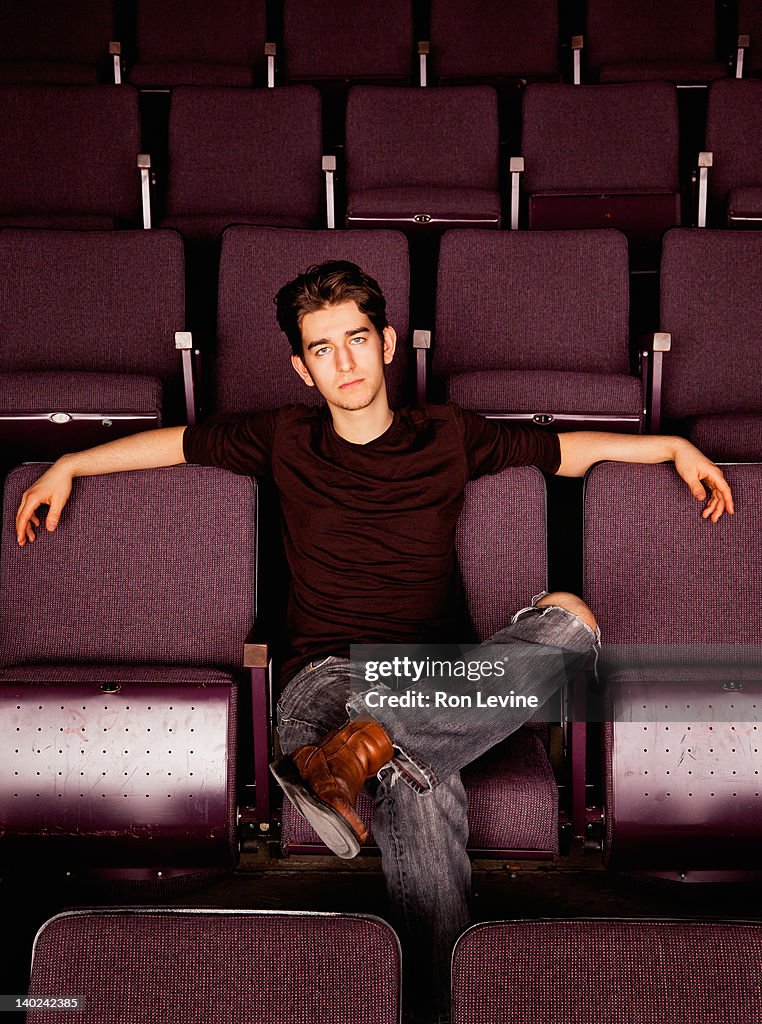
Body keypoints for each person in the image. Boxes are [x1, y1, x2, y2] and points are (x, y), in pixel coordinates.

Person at [15, 261, 734, 1024]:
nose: (345, 363)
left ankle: (361, 759)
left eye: (356, 339)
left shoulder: (449, 435)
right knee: (422, 777)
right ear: (301, 365)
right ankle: (442, 992)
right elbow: (175, 446)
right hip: (322, 686)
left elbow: (565, 453)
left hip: (430, 680)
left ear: (386, 341)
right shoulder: (284, 436)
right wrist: (69, 461)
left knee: (570, 621)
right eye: (323, 349)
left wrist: (671, 449)